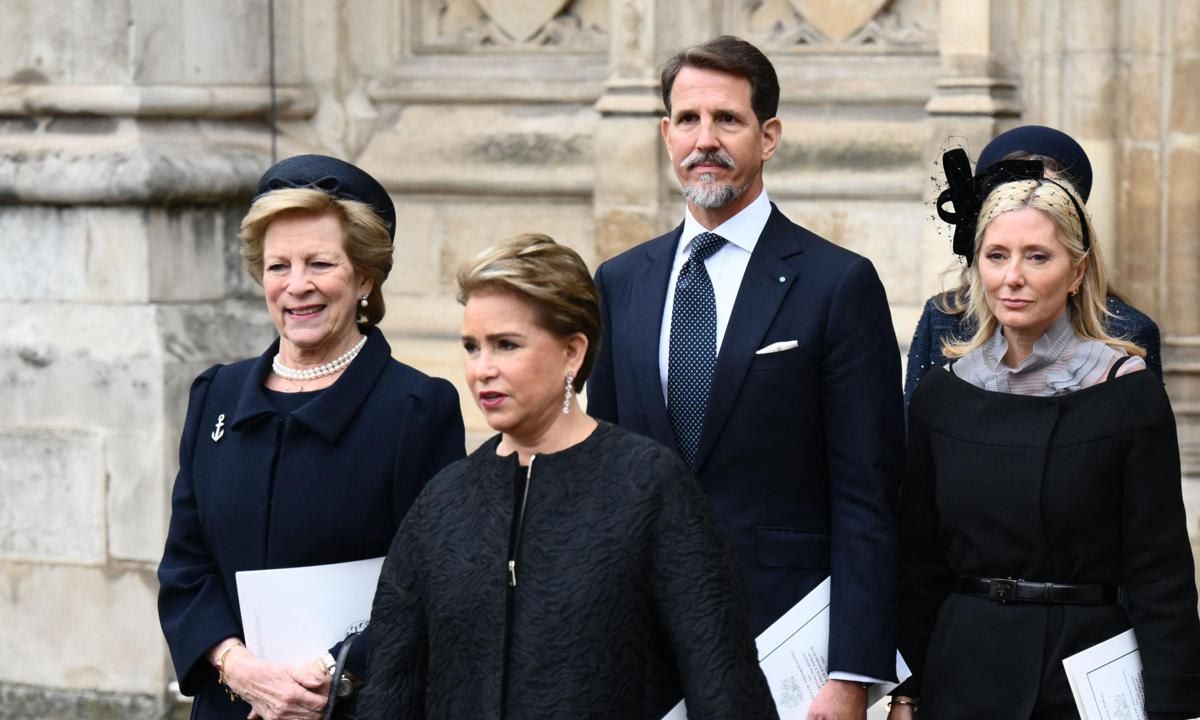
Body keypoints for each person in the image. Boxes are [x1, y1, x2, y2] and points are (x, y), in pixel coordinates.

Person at [587, 35, 905, 717]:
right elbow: (603, 484)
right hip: (645, 655)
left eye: (727, 120)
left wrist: (853, 673)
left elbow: (868, 496)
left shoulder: (837, 284)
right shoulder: (620, 283)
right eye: (690, 121)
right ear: (666, 134)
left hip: (786, 651)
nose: (707, 139)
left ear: (769, 137)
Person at [359, 234, 778, 719]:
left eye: (506, 345)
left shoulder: (649, 486)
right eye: (472, 347)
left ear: (573, 353)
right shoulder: (443, 501)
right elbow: (390, 694)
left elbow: (724, 686)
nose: (482, 370)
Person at [157, 154, 466, 720]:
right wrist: (239, 667)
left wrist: (327, 674)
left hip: (357, 706)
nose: (297, 286)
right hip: (232, 703)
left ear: (365, 275)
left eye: (320, 263)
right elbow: (185, 566)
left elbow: (435, 582)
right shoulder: (216, 396)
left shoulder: (417, 408)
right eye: (279, 266)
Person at [890, 162, 1200, 718]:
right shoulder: (944, 394)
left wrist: (1174, 703)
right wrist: (906, 687)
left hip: (1082, 675)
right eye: (997, 255)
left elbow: (1161, 572)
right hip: (963, 671)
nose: (1014, 277)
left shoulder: (1125, 392)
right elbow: (920, 563)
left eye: (1038, 256)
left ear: (1077, 272)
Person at [904, 125, 1162, 412]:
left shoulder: (1126, 332)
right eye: (998, 254)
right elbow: (914, 432)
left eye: (1038, 256)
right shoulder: (944, 317)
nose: (1029, 201)